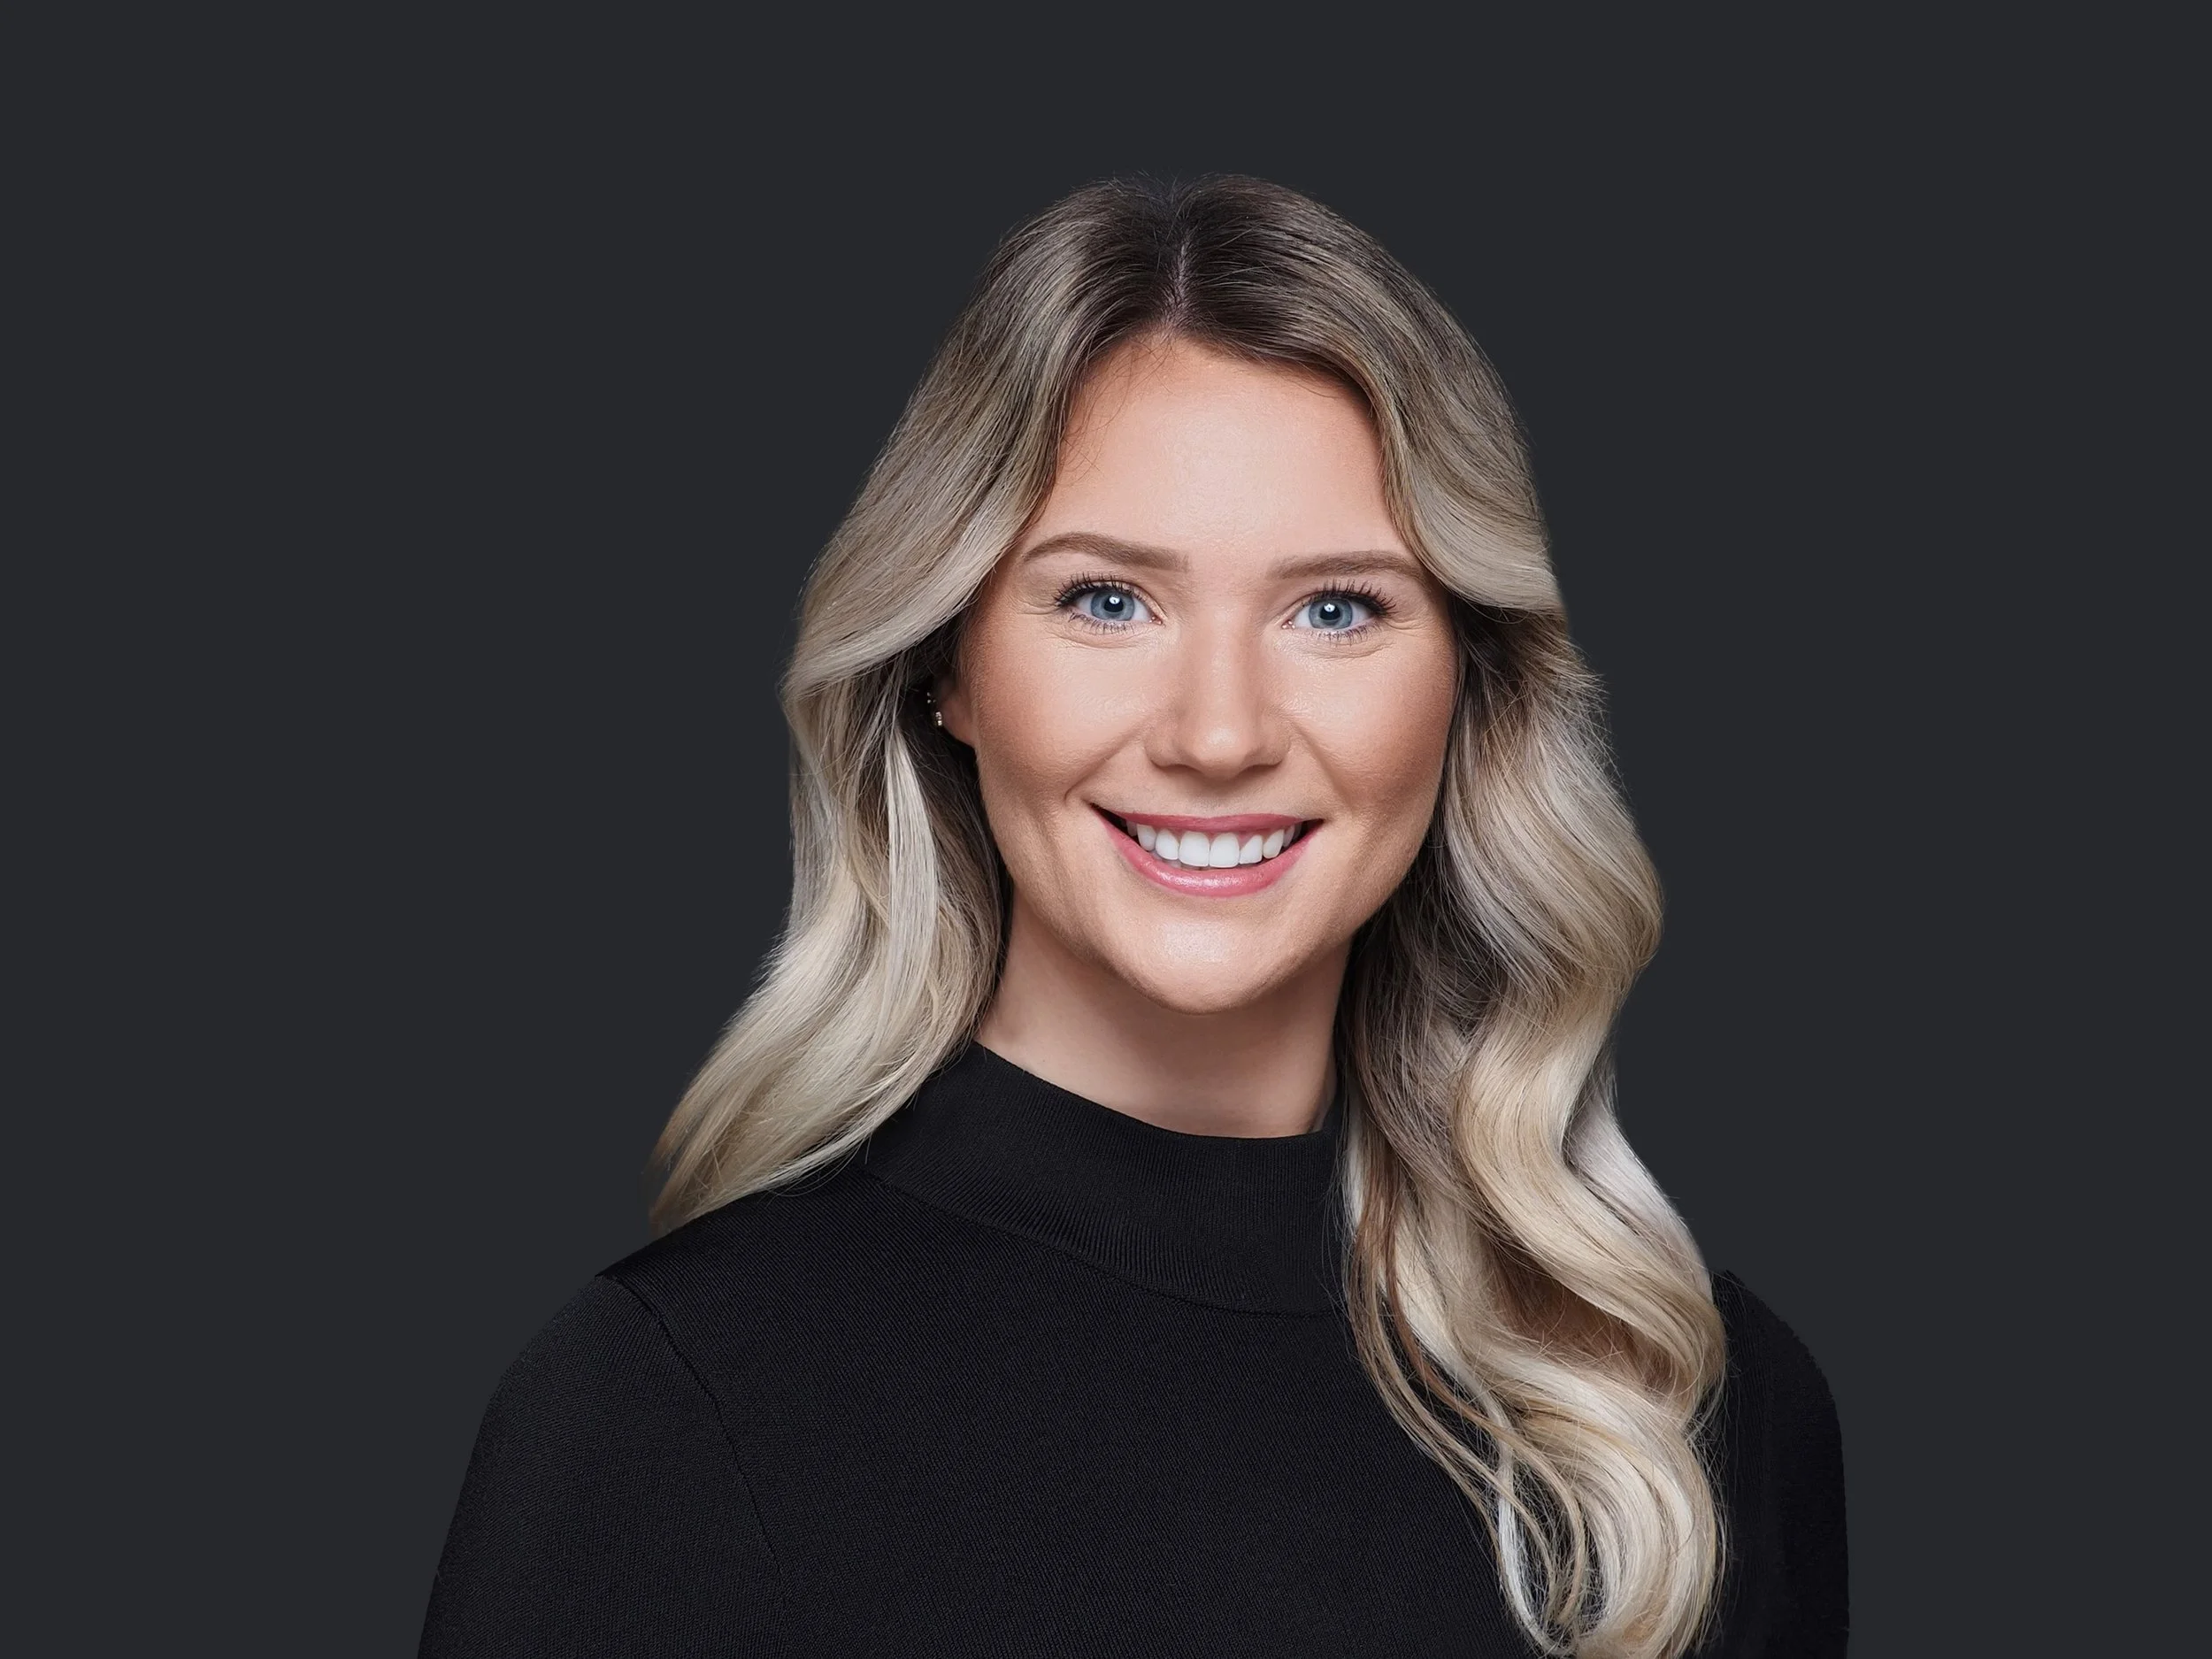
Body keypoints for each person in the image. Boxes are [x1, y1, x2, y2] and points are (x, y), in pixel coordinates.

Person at [419, 174, 1846, 1658]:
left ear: (1467, 686)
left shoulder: (1689, 1423)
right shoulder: (664, 1407)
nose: (1218, 732)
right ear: (946, 668)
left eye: (1337, 609)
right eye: (1107, 600)